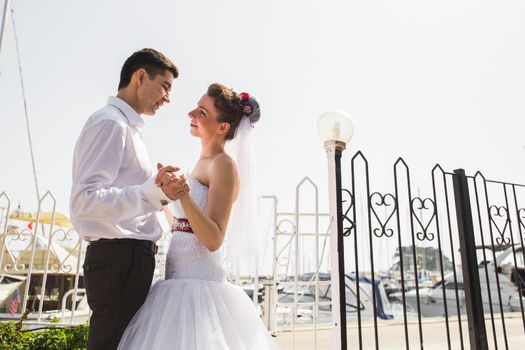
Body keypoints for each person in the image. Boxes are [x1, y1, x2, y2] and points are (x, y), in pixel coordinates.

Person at [117, 83, 279, 349]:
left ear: (222, 127)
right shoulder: (201, 163)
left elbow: (213, 238)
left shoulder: (223, 165)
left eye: (201, 112)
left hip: (199, 288)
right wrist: (164, 197)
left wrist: (183, 196)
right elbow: (185, 227)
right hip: (175, 282)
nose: (191, 113)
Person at [70, 48, 188, 350]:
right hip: (118, 260)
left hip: (128, 261)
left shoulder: (129, 129)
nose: (168, 98)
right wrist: (154, 192)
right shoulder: (111, 124)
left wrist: (160, 191)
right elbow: (85, 200)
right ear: (140, 77)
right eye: (165, 86)